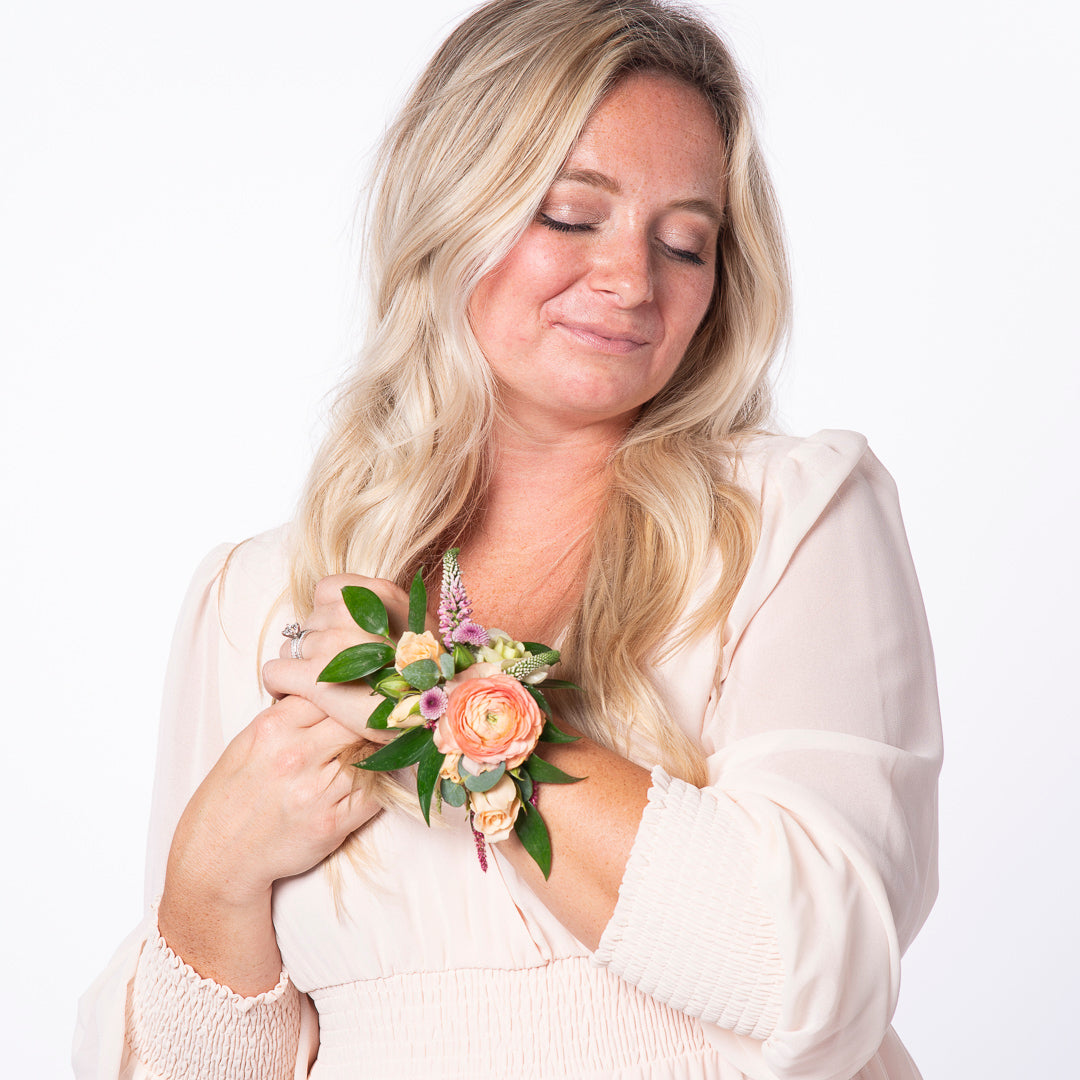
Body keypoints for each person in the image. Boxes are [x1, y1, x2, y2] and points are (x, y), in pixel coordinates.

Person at [74, 0, 941, 1077]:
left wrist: (441, 700)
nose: (633, 280)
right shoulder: (264, 600)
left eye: (686, 241)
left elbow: (810, 966)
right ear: (454, 207)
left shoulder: (786, 519)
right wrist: (208, 881)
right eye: (572, 218)